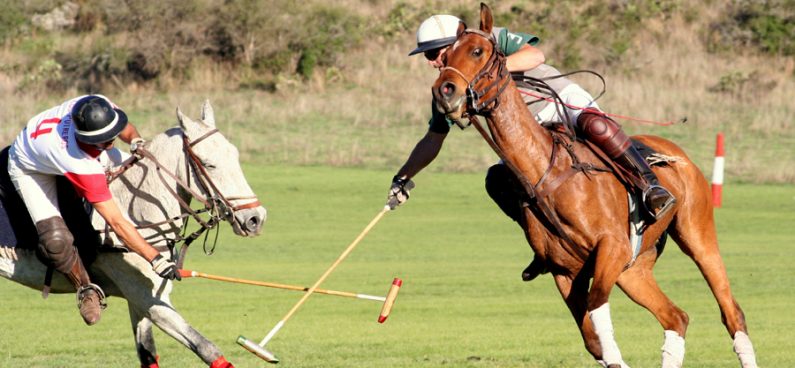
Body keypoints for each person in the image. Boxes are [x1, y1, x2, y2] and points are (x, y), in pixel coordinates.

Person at [386, 15, 676, 279]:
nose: (432, 62)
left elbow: (535, 55)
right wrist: (403, 176)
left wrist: (490, 68)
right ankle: (545, 246)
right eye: (428, 55)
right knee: (497, 181)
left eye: (434, 53)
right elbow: (433, 138)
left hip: (557, 101)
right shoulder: (450, 88)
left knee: (596, 125)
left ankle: (649, 186)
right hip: (524, 138)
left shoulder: (488, 40)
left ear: (454, 44)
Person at [7, 94, 181, 326]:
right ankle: (85, 288)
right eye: (104, 141)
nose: (111, 144)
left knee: (140, 170)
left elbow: (124, 127)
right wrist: (155, 258)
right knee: (55, 240)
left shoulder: (97, 103)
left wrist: (136, 140)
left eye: (112, 137)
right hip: (29, 167)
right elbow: (116, 222)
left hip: (57, 145)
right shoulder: (75, 159)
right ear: (86, 138)